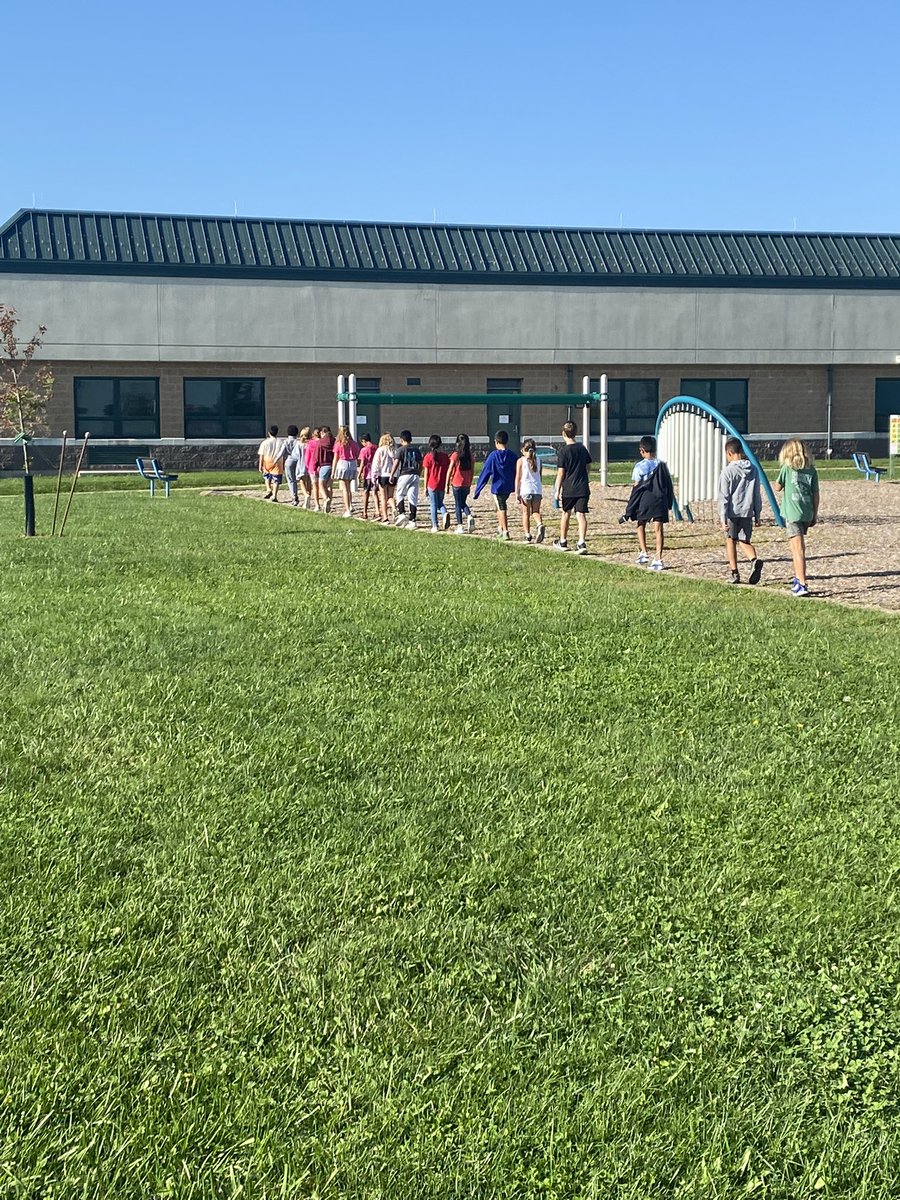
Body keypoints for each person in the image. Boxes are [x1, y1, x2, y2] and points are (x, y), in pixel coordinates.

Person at [774, 438, 820, 597]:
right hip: (806, 513)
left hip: (792, 514)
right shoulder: (812, 470)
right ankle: (797, 577)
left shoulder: (787, 469)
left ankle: (802, 582)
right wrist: (815, 513)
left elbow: (777, 487)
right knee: (797, 548)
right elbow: (816, 494)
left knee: (797, 549)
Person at [718, 437, 763, 584]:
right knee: (744, 540)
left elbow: (724, 497)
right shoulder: (754, 469)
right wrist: (758, 513)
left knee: (730, 540)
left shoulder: (727, 472)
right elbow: (757, 493)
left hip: (732, 512)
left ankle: (734, 572)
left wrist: (722, 518)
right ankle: (754, 560)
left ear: (729, 453)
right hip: (747, 510)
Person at [624, 434, 673, 570]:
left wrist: (631, 504)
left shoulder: (639, 466)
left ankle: (644, 551)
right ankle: (658, 558)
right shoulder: (662, 465)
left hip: (645, 499)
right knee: (658, 529)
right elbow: (668, 484)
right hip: (659, 499)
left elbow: (636, 485)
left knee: (641, 524)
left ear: (642, 450)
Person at [552, 421, 591, 554]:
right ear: (576, 433)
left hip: (569, 488)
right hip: (582, 487)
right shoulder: (582, 449)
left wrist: (557, 490)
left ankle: (563, 540)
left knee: (566, 513)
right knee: (581, 514)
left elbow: (561, 472)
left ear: (563, 434)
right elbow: (588, 466)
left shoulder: (563, 452)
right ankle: (581, 542)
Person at [473, 429, 520, 540]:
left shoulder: (493, 456)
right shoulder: (512, 455)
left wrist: (477, 490)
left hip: (498, 488)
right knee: (499, 507)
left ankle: (505, 531)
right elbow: (518, 470)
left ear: (496, 442)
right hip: (508, 486)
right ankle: (500, 528)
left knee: (502, 507)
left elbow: (485, 473)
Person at [515, 438, 545, 543]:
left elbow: (518, 478)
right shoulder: (539, 460)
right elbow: (539, 476)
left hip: (525, 489)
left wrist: (517, 492)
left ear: (523, 450)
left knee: (525, 513)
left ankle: (527, 535)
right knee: (536, 511)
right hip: (537, 489)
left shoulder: (520, 461)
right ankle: (539, 524)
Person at [391, 430, 422, 528]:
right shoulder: (416, 450)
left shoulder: (401, 450)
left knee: (400, 494)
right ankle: (412, 519)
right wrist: (419, 472)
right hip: (415, 474)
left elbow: (396, 462)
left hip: (404, 473)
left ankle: (402, 514)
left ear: (401, 440)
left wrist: (392, 474)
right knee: (412, 496)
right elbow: (421, 463)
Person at [446, 433, 475, 534]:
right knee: (462, 503)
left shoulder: (455, 455)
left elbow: (450, 470)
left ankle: (460, 526)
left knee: (458, 504)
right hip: (466, 483)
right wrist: (470, 483)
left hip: (457, 483)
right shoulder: (470, 455)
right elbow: (472, 471)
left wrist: (447, 485)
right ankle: (469, 515)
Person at [422, 434, 451, 532]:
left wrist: (425, 486)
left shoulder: (428, 457)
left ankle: (435, 525)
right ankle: (444, 513)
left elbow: (426, 473)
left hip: (432, 483)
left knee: (433, 504)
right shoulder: (445, 456)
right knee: (439, 503)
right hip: (441, 483)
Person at [331, 425, 360, 517]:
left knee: (345, 489)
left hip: (342, 464)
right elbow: (357, 455)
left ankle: (347, 510)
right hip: (352, 464)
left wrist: (333, 471)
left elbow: (335, 458)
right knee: (349, 489)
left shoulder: (338, 444)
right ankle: (350, 505)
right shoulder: (354, 443)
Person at [257, 424, 287, 501]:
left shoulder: (265, 442)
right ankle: (274, 495)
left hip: (267, 460)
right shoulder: (281, 442)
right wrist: (283, 464)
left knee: (267, 476)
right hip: (278, 461)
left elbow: (261, 455)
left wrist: (260, 465)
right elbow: (283, 453)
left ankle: (268, 489)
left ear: (269, 433)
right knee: (276, 479)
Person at [371, 433, 395, 523]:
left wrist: (374, 476)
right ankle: (393, 508)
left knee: (383, 497)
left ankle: (385, 517)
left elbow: (376, 464)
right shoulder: (394, 450)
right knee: (390, 496)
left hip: (383, 475)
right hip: (393, 475)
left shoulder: (380, 450)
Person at [314, 425, 336, 513]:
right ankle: (329, 505)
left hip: (324, 465)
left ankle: (325, 498)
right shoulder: (334, 441)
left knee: (321, 484)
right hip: (333, 465)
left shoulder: (320, 443)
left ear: (323, 432)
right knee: (329, 486)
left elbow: (316, 456)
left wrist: (315, 466)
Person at [357, 432, 377, 520]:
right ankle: (377, 511)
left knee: (366, 492)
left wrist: (359, 474)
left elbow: (362, 463)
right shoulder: (376, 448)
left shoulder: (364, 450)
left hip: (367, 473)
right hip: (376, 473)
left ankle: (365, 512)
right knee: (375, 492)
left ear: (364, 441)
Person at [283, 424, 302, 506]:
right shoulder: (298, 442)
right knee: (301, 479)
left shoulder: (285, 442)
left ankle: (294, 496)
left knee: (291, 480)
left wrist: (276, 460)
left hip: (289, 461)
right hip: (298, 461)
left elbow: (281, 452)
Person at [296, 426, 313, 508]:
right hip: (310, 464)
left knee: (302, 481)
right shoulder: (311, 444)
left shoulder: (299, 444)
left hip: (301, 464)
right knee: (309, 481)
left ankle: (306, 495)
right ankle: (309, 495)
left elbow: (295, 455)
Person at [305, 427, 322, 510]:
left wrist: (308, 466)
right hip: (322, 466)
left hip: (312, 466)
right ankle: (326, 499)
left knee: (315, 486)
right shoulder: (323, 443)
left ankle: (317, 505)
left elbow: (307, 457)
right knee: (323, 486)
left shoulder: (311, 443)